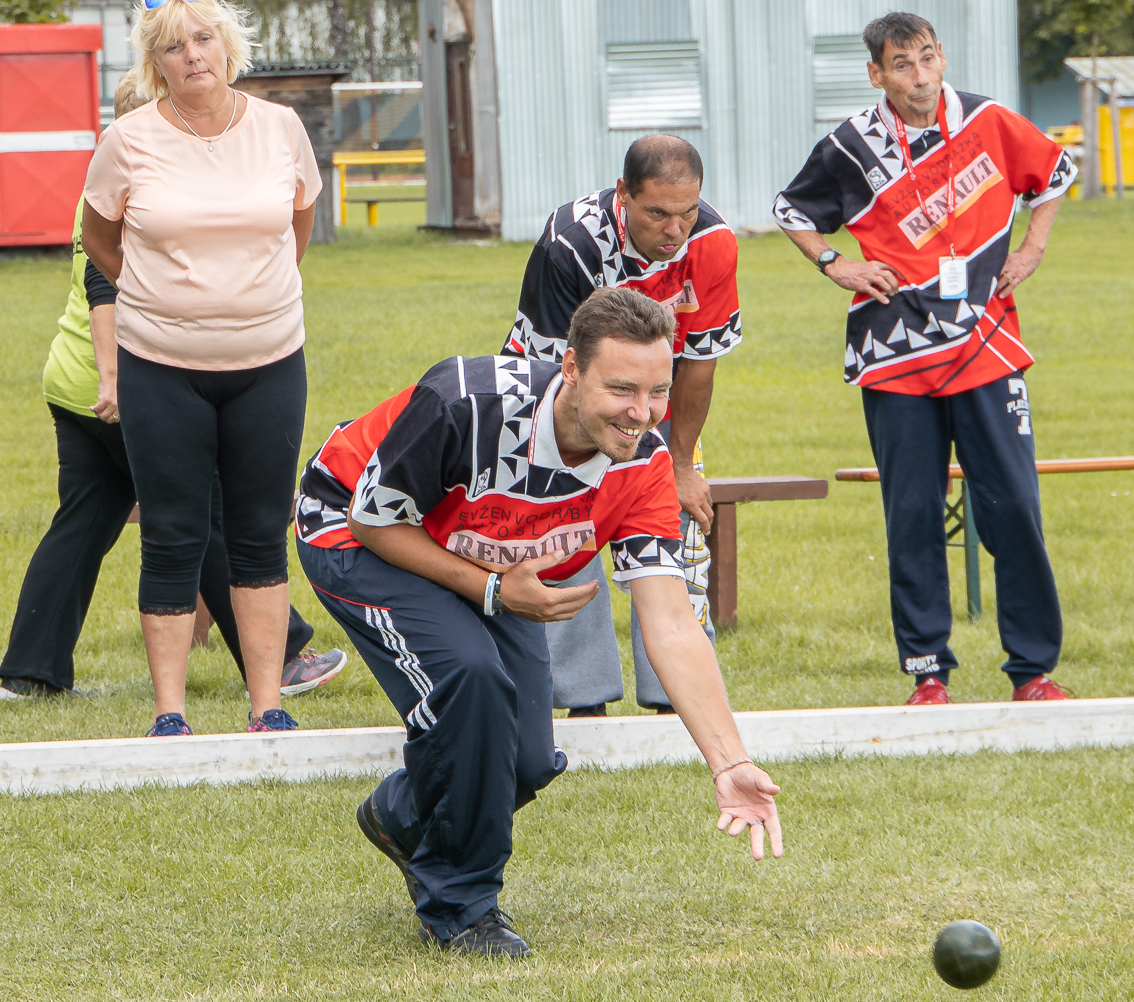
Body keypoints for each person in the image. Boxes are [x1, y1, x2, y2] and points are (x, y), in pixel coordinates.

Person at [295, 289, 786, 959]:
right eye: (621, 387)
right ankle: (463, 908)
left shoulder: (644, 464)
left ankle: (402, 816)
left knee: (524, 758)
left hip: (492, 562)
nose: (641, 414)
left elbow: (670, 622)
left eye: (657, 391)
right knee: (470, 678)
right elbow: (371, 519)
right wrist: (493, 588)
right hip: (356, 529)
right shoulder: (465, 404)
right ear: (571, 369)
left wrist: (729, 760)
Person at [774, 12, 1077, 707]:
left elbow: (1055, 171)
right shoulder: (852, 146)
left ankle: (1032, 670)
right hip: (894, 354)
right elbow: (791, 208)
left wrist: (1032, 249)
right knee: (911, 511)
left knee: (1016, 506)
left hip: (987, 344)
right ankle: (927, 670)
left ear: (943, 58)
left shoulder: (989, 122)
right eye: (902, 64)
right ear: (877, 73)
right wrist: (835, 262)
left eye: (928, 58)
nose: (920, 76)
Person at [79, 0, 321, 737]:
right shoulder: (129, 140)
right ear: (156, 62)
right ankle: (170, 711)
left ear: (228, 45)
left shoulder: (282, 129)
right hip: (159, 365)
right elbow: (100, 238)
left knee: (258, 530)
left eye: (204, 38)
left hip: (270, 360)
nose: (193, 55)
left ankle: (267, 703)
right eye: (174, 45)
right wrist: (162, 298)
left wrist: (254, 294)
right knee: (174, 532)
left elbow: (298, 222)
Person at [0, 192, 346, 700]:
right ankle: (284, 659)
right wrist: (113, 381)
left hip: (73, 383)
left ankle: (30, 672)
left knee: (83, 523)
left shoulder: (99, 192)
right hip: (122, 391)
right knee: (209, 516)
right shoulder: (144, 194)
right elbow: (103, 288)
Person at [504, 134, 741, 717]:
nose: (675, 230)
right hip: (553, 401)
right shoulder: (572, 242)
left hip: (649, 402)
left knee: (678, 534)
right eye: (657, 213)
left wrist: (681, 467)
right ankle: (583, 705)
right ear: (623, 196)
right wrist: (590, 463)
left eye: (687, 213)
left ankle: (676, 704)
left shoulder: (713, 244)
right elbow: (558, 376)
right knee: (565, 535)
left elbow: (700, 364)